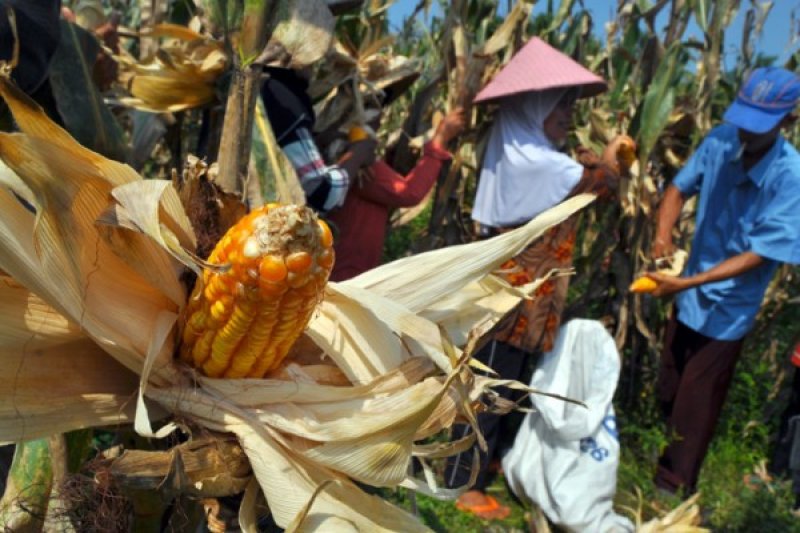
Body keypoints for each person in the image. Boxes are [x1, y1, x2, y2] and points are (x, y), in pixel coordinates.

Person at [444, 37, 626, 519]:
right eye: (560, 103)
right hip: (514, 296)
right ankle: (464, 483)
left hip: (530, 296)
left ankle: (490, 464)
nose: (568, 112)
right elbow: (602, 185)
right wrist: (610, 155)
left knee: (511, 381)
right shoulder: (537, 160)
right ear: (536, 105)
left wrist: (593, 156)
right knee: (493, 384)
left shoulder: (532, 150)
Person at [647, 66, 800, 495]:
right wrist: (663, 238)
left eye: (760, 127)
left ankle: (672, 490)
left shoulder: (791, 177)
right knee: (669, 387)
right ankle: (656, 459)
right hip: (687, 294)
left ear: (788, 120)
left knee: (696, 404)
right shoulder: (718, 141)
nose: (746, 135)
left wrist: (686, 283)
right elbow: (677, 191)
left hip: (729, 308)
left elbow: (759, 254)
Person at [327, 106, 466, 281]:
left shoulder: (339, 152)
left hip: (342, 269)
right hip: (347, 274)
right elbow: (409, 193)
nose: (380, 116)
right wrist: (441, 139)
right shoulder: (358, 160)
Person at [260, 67, 376, 214]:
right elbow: (322, 192)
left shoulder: (266, 86)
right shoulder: (280, 97)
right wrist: (358, 153)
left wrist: (319, 140)